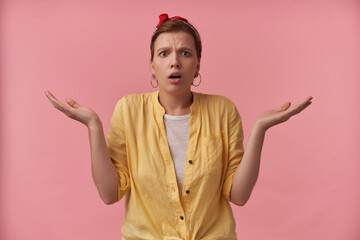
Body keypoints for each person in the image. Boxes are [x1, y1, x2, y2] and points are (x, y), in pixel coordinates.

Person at [45, 13, 312, 240]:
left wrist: (259, 130)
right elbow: (109, 193)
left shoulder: (223, 110)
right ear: (152, 66)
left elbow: (238, 196)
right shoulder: (129, 109)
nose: (175, 61)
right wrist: (93, 126)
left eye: (185, 53)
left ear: (197, 65)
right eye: (164, 53)